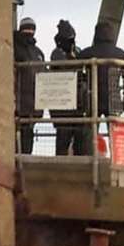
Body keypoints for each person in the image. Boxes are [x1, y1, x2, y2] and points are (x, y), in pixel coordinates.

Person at [50, 19, 89, 156]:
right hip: (63, 103)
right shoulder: (57, 53)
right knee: (63, 139)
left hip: (77, 102)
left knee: (80, 142)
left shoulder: (76, 51)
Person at [83, 18, 124, 125]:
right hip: (114, 100)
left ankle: (91, 142)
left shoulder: (87, 53)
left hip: (92, 99)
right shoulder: (121, 54)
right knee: (115, 135)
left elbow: (75, 73)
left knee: (89, 134)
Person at [13, 16, 45, 154]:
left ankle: (24, 162)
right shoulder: (35, 52)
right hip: (20, 102)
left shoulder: (37, 52)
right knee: (19, 136)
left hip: (32, 102)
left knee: (27, 135)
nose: (30, 31)